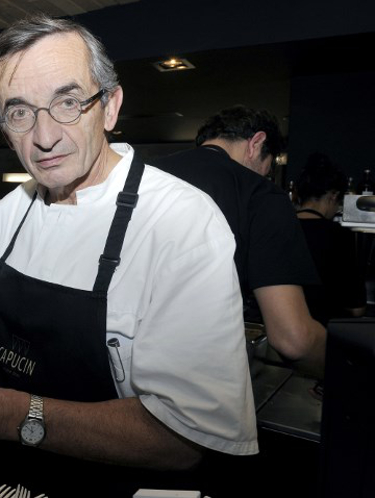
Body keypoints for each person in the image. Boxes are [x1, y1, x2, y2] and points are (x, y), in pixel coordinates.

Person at [0, 16, 256, 495]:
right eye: (19, 112)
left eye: (67, 103)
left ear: (109, 107)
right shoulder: (1, 219)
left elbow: (184, 439)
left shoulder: (181, 221)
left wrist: (8, 415)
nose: (44, 137)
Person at [155, 106, 327, 378]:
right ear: (256, 143)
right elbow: (294, 339)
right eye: (267, 167)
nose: (264, 176)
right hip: (196, 373)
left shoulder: (142, 175)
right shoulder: (260, 194)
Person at [295, 153, 366, 324]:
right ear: (333, 196)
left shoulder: (279, 227)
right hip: (324, 334)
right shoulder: (339, 236)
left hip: (281, 331)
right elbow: (357, 309)